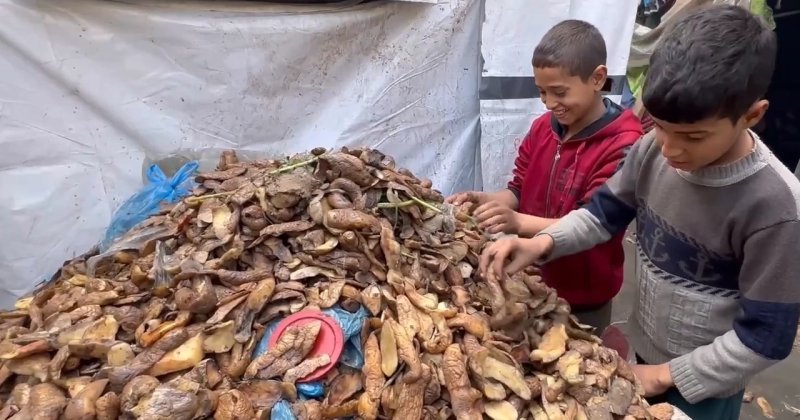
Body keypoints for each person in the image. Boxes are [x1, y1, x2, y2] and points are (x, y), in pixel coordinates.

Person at [479, 5, 797, 419]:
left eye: (692, 136)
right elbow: (601, 214)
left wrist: (665, 375)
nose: (669, 149)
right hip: (646, 349)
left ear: (751, 116)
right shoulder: (652, 150)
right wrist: (541, 242)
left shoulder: (774, 208)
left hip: (708, 382)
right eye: (660, 126)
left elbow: (766, 337)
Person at [449, 20, 643, 333]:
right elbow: (518, 189)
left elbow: (595, 221)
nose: (550, 103)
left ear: (597, 78)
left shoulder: (623, 144)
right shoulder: (543, 128)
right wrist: (483, 201)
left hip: (584, 296)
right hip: (531, 279)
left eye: (560, 92)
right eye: (541, 92)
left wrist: (518, 223)